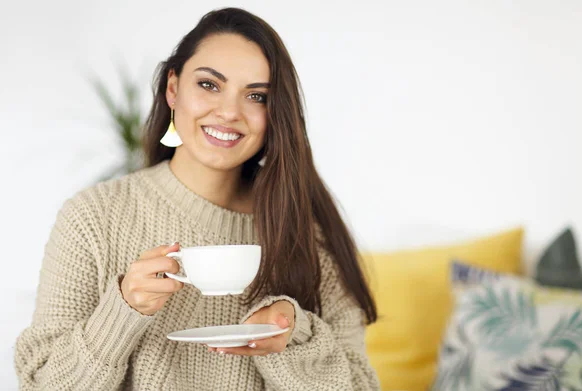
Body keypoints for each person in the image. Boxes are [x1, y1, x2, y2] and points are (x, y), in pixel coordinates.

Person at [15, 7, 380, 391]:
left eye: (255, 96)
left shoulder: (306, 232)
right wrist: (122, 310)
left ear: (275, 114)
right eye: (209, 85)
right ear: (173, 89)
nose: (228, 112)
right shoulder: (94, 217)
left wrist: (295, 334)